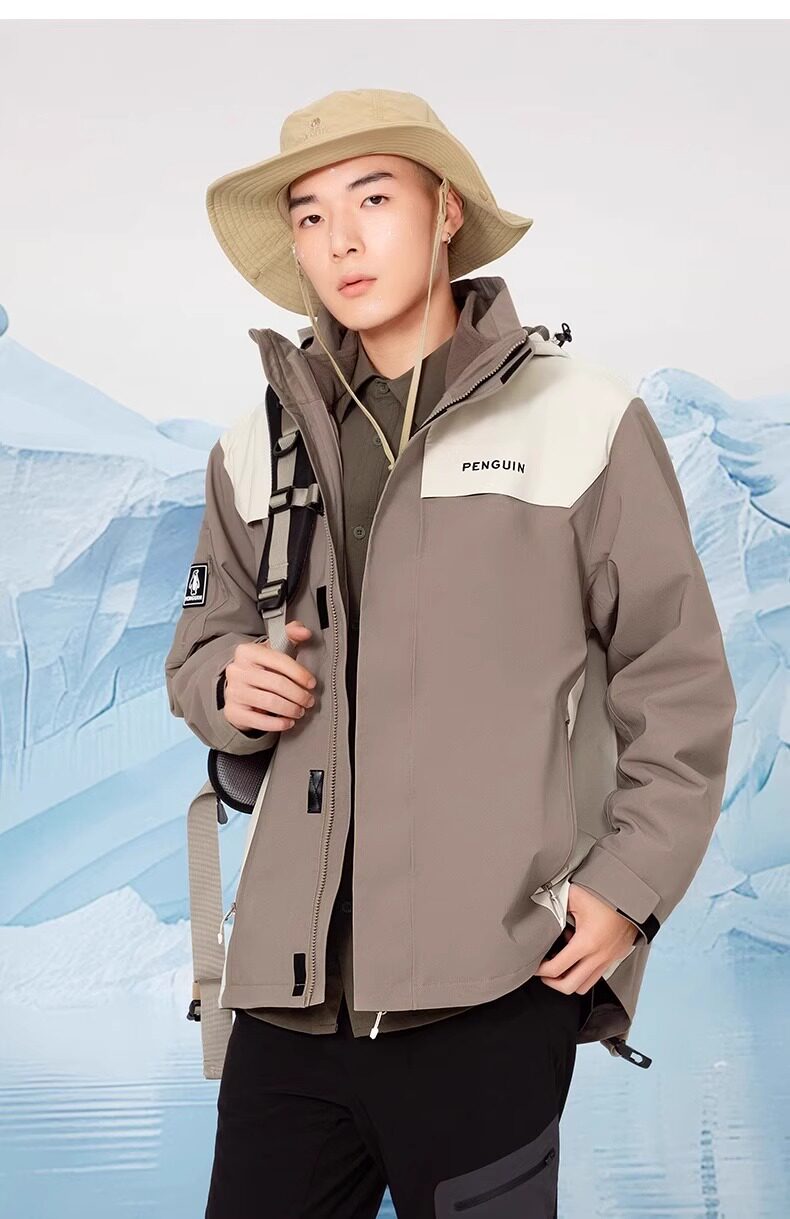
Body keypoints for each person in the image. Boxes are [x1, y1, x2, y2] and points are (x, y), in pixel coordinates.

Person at [164, 88, 737, 1219]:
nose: (341, 238)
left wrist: (626, 889)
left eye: (373, 199)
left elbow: (678, 680)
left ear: (446, 212)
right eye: (311, 215)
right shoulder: (253, 446)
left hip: (490, 992)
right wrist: (225, 681)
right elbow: (199, 646)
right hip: (285, 1001)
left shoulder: (583, 420)